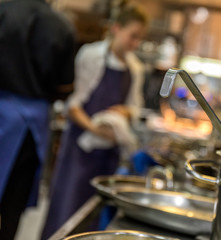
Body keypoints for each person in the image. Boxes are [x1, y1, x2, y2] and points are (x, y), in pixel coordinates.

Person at [41, 1, 148, 238]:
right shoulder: (91, 55)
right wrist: (95, 129)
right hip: (80, 150)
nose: (135, 44)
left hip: (108, 155)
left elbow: (135, 107)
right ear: (116, 29)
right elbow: (73, 104)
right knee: (68, 210)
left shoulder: (135, 68)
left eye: (139, 38)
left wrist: (123, 112)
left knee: (94, 216)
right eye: (133, 36)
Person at [0, 0, 75, 239]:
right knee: (13, 205)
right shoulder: (61, 26)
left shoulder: (3, 11)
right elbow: (65, 86)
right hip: (31, 128)